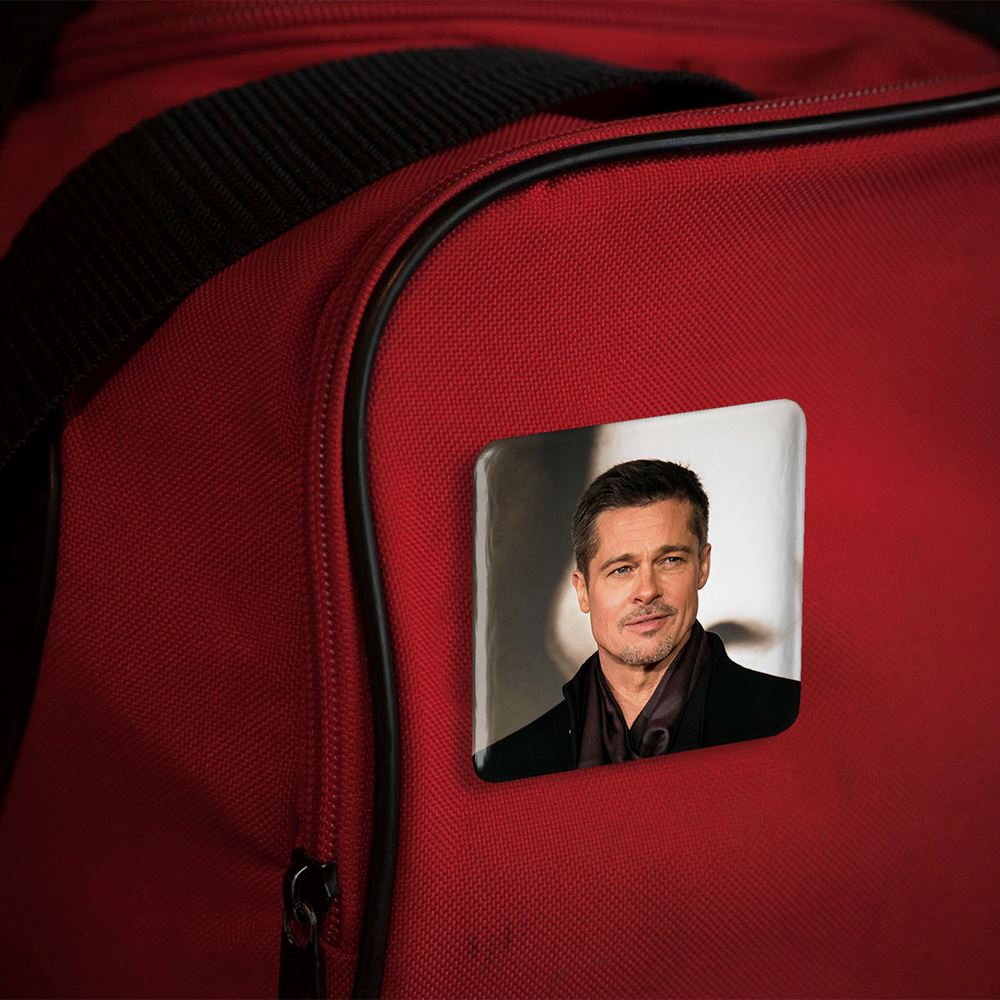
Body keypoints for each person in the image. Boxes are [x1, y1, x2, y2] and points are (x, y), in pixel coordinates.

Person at [475, 459, 799, 781]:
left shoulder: (790, 718)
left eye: (670, 560)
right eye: (622, 569)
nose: (647, 591)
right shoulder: (511, 765)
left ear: (702, 566)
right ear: (583, 590)